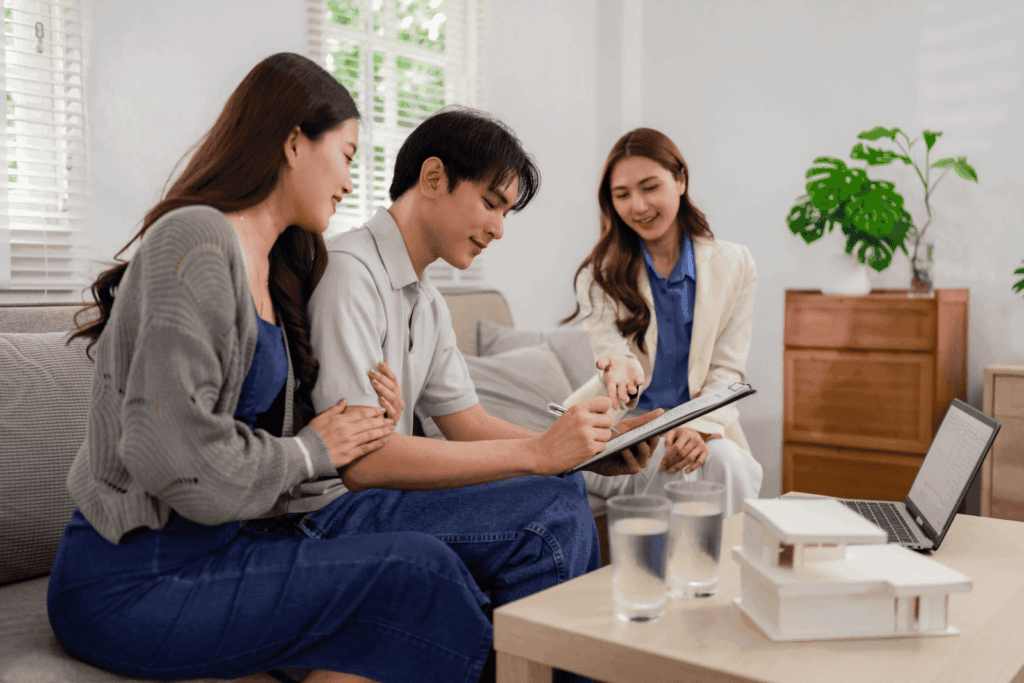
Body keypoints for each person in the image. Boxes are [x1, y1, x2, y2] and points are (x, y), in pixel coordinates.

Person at [47, 53, 493, 683]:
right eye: (345, 154)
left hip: (223, 549)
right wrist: (311, 452)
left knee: (405, 598)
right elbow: (170, 451)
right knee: (415, 572)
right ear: (292, 144)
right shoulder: (197, 240)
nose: (349, 180)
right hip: (131, 579)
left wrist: (365, 427)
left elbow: (257, 440)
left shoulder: (279, 265)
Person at [306, 107, 664, 683]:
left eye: (506, 211)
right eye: (492, 203)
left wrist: (580, 449)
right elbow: (362, 464)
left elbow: (467, 423)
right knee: (548, 510)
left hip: (375, 500)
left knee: (562, 482)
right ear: (433, 179)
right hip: (326, 516)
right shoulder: (351, 273)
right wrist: (539, 455)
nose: (499, 228)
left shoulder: (426, 299)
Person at [562, 127, 763, 517]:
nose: (638, 205)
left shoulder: (735, 264)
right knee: (671, 468)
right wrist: (619, 366)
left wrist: (699, 426)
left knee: (726, 462)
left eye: (650, 187)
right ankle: (663, 574)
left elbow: (727, 368)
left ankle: (726, 571)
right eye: (622, 195)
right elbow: (612, 354)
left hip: (702, 421)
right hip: (629, 426)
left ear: (680, 180)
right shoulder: (599, 275)